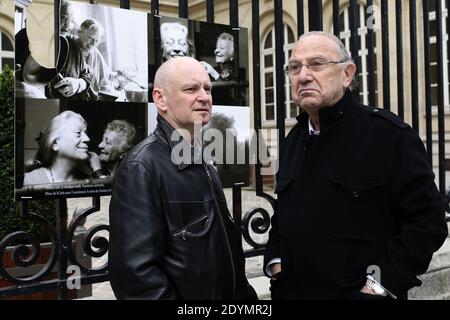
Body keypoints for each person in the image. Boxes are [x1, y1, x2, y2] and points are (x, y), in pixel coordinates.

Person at [263, 31, 449, 300]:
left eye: (316, 64)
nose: (303, 76)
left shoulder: (388, 136)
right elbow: (284, 217)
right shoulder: (293, 140)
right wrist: (276, 264)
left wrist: (377, 287)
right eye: (294, 67)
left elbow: (427, 222)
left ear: (347, 74)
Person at [108, 57, 256, 300]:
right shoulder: (141, 166)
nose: (205, 97)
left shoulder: (202, 157)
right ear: (160, 99)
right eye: (191, 89)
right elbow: (136, 278)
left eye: (207, 89)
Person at [23, 110, 90, 185]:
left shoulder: (87, 181)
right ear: (55, 143)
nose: (87, 139)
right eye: (78, 133)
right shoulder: (29, 181)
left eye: (85, 133)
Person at [75, 19, 112, 100]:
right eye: (91, 38)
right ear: (80, 33)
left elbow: (106, 75)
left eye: (96, 40)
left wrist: (117, 76)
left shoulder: (94, 52)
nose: (93, 44)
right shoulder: (70, 48)